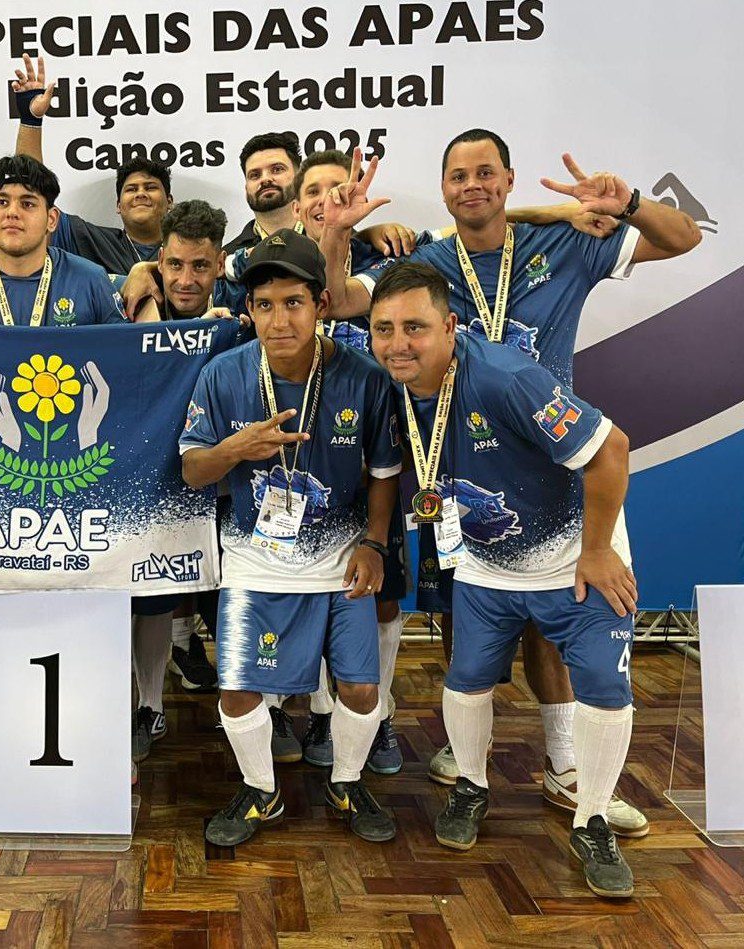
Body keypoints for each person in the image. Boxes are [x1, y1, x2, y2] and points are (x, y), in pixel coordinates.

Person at [324, 130, 700, 833]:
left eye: (487, 173)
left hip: (552, 463)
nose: (473, 185)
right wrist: (346, 232)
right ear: (442, 187)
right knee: (470, 632)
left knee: (555, 635)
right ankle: (472, 764)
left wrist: (631, 203)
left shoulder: (565, 243)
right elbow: (340, 299)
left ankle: (564, 768)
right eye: (458, 174)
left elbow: (681, 240)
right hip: (459, 473)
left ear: (508, 180)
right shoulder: (432, 261)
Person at [369, 261, 639, 898]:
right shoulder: (398, 384)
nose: (398, 344)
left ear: (451, 326)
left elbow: (612, 451)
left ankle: (592, 818)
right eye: (384, 329)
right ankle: (471, 784)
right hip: (487, 566)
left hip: (575, 560)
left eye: (415, 327)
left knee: (603, 687)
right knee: (466, 681)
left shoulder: (505, 377)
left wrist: (597, 551)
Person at [179, 229, 402, 846]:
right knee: (237, 690)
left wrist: (375, 544)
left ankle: (348, 782)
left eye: (294, 303)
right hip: (254, 561)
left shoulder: (362, 377)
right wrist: (237, 448)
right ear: (248, 310)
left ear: (322, 306)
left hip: (341, 560)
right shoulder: (224, 375)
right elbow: (194, 469)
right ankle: (260, 792)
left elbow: (385, 472)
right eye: (266, 305)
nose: (280, 320)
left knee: (360, 687)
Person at [11, 56, 172, 274]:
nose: (140, 194)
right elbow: (31, 200)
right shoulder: (92, 241)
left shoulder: (187, 248)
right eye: (131, 189)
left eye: (150, 187)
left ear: (170, 202)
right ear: (118, 205)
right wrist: (31, 120)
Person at [0, 155, 133, 327]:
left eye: (28, 204)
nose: (12, 213)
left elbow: (121, 355)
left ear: (51, 220)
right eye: (2, 202)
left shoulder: (91, 280)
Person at [223, 132, 304, 253]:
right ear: (246, 188)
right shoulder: (228, 259)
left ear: (300, 178)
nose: (265, 179)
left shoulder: (332, 241)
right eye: (255, 175)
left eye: (277, 169)